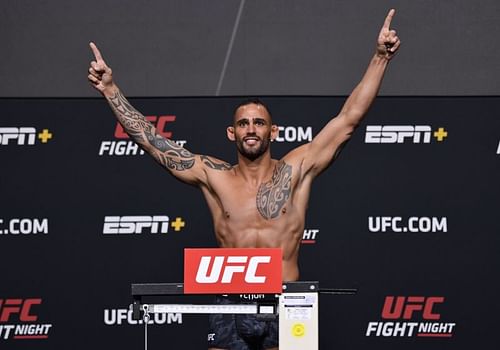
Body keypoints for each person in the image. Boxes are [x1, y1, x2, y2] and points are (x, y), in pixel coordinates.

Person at [88, 8, 400, 350]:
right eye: (243, 123)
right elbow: (153, 141)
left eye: (259, 122)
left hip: (288, 300)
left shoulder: (296, 169)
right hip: (229, 300)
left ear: (273, 131)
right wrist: (110, 89)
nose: (251, 129)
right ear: (231, 132)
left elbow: (348, 119)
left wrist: (380, 58)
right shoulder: (213, 175)